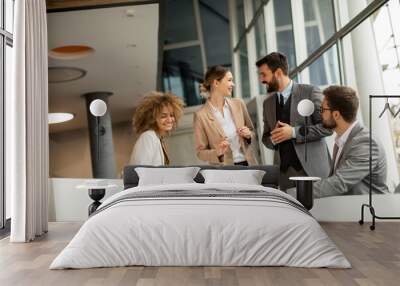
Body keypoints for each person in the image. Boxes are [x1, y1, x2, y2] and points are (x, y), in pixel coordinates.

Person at [256, 52, 332, 191]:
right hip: (285, 175)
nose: (261, 79)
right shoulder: (267, 104)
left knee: (320, 212)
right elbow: (265, 138)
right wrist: (273, 138)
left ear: (278, 72)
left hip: (312, 171)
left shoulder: (310, 92)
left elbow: (327, 127)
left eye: (264, 74)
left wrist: (293, 132)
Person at [313, 85, 389, 197]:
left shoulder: (366, 142)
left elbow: (339, 183)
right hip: (349, 208)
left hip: (367, 211)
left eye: (322, 110)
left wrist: (295, 194)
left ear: (336, 114)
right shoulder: (342, 139)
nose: (321, 114)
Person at [193, 65, 257, 165]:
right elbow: (200, 152)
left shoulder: (239, 104)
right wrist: (217, 152)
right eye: (229, 80)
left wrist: (248, 135)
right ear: (216, 83)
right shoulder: (201, 116)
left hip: (248, 163)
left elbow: (251, 131)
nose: (233, 84)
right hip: (223, 170)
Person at [129, 91, 184, 165]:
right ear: (152, 119)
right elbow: (139, 171)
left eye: (171, 115)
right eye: (163, 116)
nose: (169, 120)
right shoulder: (148, 137)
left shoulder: (158, 139)